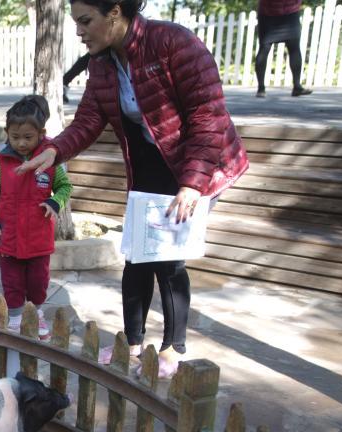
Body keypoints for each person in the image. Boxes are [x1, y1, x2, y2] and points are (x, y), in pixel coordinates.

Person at [18, 0, 248, 378]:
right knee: (137, 254)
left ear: (115, 13)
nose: (79, 31)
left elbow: (209, 118)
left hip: (198, 162)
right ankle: (133, 341)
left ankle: (174, 348)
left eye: (85, 21)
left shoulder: (173, 43)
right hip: (150, 161)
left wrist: (193, 184)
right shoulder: (102, 63)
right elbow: (89, 119)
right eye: (76, 22)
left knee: (168, 259)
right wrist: (55, 151)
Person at [0, 95, 73, 340]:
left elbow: (65, 187)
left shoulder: (52, 159)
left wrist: (55, 202)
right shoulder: (1, 161)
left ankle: (36, 313)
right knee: (11, 282)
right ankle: (15, 317)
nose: (21, 143)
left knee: (38, 282)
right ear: (7, 132)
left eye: (28, 137)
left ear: (41, 133)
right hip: (8, 237)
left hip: (38, 238)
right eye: (15, 137)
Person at [255, 0, 312, 98]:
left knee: (264, 48)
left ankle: (261, 89)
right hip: (287, 11)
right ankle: (297, 86)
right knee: (294, 49)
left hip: (269, 12)